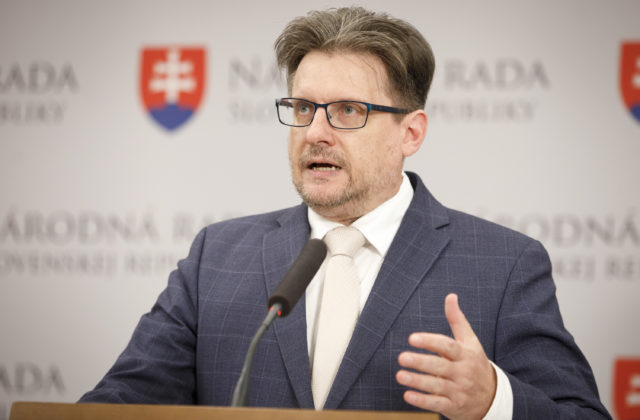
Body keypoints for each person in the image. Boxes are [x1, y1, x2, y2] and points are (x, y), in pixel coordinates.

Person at [80, 7, 611, 419]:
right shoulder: (216, 257)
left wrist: (494, 400)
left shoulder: (503, 265)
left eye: (348, 111)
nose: (315, 132)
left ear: (411, 133)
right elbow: (122, 401)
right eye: (303, 108)